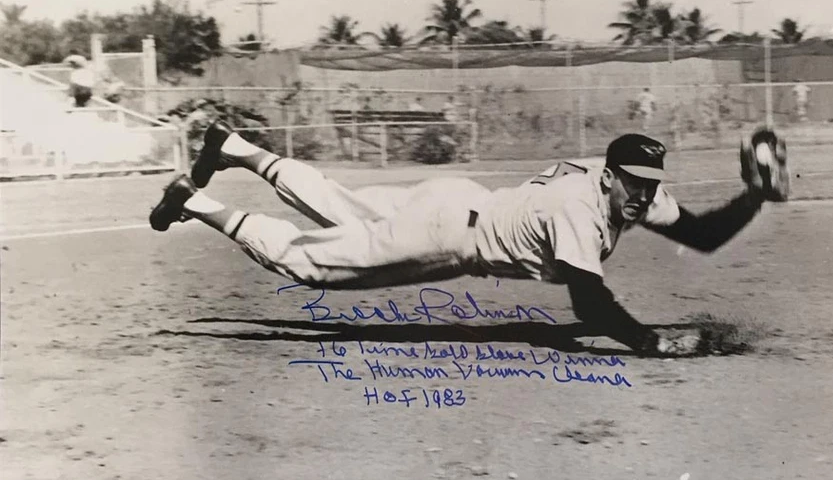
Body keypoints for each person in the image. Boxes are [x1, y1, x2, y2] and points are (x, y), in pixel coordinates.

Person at [149, 122, 788, 356]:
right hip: (447, 234)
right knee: (313, 268)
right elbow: (589, 302)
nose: (647, 196)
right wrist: (647, 342)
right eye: (638, 184)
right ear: (611, 176)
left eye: (654, 183)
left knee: (338, 204)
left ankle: (232, 147)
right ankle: (196, 200)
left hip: (458, 199)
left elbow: (700, 234)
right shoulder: (581, 209)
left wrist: (755, 197)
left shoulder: (615, 186)